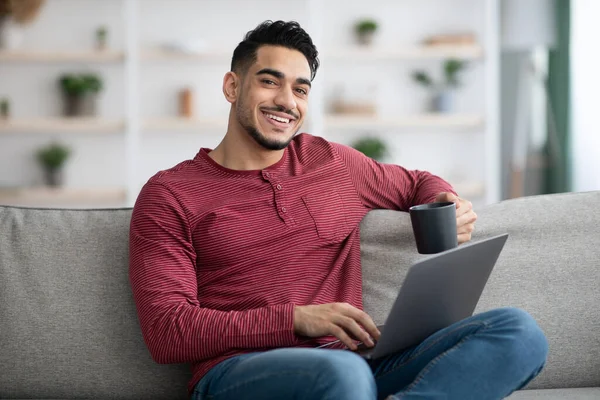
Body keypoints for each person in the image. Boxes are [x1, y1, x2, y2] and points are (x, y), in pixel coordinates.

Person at [129, 20, 548, 400]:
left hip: (357, 363)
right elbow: (168, 332)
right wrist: (296, 320)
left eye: (300, 88)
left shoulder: (330, 162)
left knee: (518, 332)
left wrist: (447, 203)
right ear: (232, 87)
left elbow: (417, 182)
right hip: (238, 372)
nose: (286, 101)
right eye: (270, 82)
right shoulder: (170, 194)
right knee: (342, 374)